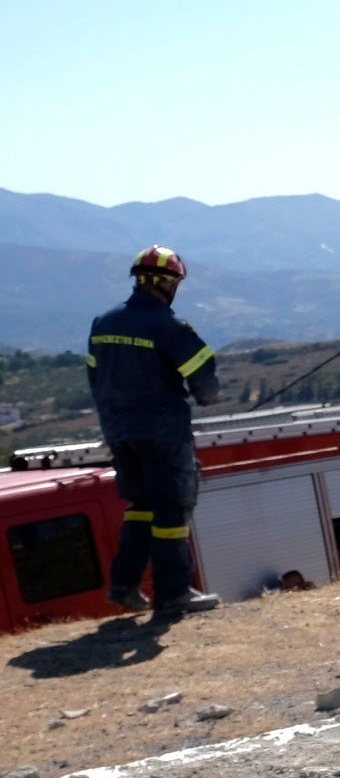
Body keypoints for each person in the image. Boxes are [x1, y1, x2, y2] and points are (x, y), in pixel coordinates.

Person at [86, 245, 224, 623]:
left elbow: (95, 376)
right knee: (172, 511)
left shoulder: (103, 323)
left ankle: (124, 586)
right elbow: (206, 386)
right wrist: (208, 394)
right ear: (169, 284)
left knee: (141, 507)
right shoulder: (169, 327)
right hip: (163, 433)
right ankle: (174, 593)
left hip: (118, 431)